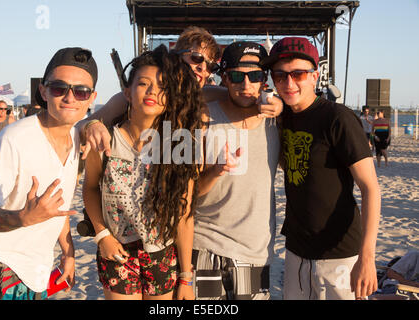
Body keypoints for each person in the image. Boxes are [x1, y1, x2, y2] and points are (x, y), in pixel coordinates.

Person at [0, 47, 98, 300]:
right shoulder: (14, 138)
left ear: (91, 98)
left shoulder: (75, 139)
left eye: (81, 91)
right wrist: (24, 218)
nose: (70, 98)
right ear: (43, 91)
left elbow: (57, 209)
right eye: (60, 88)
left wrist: (69, 253)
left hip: (34, 272)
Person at [262, 37, 381, 300]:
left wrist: (367, 257)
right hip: (295, 252)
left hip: (339, 255)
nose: (288, 83)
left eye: (298, 74)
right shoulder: (282, 116)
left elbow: (370, 188)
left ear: (314, 76)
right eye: (280, 75)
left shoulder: (338, 118)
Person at [82, 45, 202, 300]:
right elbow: (90, 188)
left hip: (162, 253)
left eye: (162, 87)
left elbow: (184, 213)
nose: (152, 92)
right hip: (116, 250)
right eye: (143, 84)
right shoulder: (105, 140)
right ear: (127, 92)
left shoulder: (178, 146)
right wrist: (102, 235)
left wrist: (186, 278)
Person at [77, 26, 282, 159]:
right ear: (176, 56)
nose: (203, 69)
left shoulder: (205, 95)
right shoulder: (138, 96)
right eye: (197, 58)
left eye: (211, 66)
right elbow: (80, 126)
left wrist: (279, 103)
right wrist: (93, 124)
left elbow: (241, 96)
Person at [193, 41, 280, 300]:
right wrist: (215, 171)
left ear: (265, 80)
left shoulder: (278, 121)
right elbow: (190, 190)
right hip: (205, 245)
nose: (246, 85)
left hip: (255, 251)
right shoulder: (204, 118)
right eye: (236, 76)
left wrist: (281, 106)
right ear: (224, 78)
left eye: (254, 76)